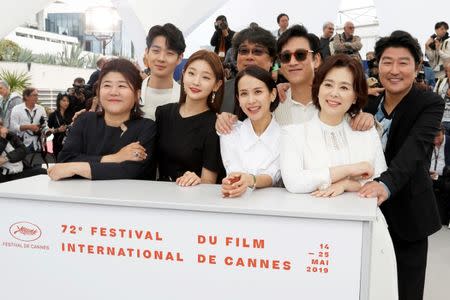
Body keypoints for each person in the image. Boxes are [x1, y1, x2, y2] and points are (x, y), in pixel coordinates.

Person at [281, 54, 397, 300]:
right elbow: (294, 181)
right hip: (312, 241)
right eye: (328, 84)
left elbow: (377, 184)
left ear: (356, 95)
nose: (334, 93)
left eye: (344, 87)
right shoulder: (294, 134)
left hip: (368, 236)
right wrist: (348, 171)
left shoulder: (366, 133)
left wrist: (346, 185)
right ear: (318, 87)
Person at [360, 31, 444, 300]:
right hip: (365, 215)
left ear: (418, 66)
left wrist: (384, 184)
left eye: (403, 62)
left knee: (405, 290)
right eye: (387, 62)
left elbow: (415, 149)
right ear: (377, 65)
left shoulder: (429, 103)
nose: (394, 70)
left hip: (409, 216)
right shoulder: (367, 102)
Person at [47, 58, 156, 181]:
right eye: (107, 85)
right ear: (98, 92)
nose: (114, 92)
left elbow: (130, 170)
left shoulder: (146, 127)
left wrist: (75, 167)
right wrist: (115, 158)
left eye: (122, 85)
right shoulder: (84, 120)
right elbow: (65, 159)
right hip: (83, 197)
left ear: (137, 94)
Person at [155, 50, 224, 186]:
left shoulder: (215, 125)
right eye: (191, 73)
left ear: (217, 85)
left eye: (205, 77)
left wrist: (197, 180)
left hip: (192, 198)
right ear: (183, 74)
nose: (196, 82)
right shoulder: (163, 113)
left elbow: (209, 182)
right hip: (159, 194)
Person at [220, 66, 280, 198]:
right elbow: (234, 174)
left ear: (273, 94)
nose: (251, 100)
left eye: (258, 92)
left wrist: (251, 180)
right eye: (244, 93)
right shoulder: (229, 132)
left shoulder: (286, 136)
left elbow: (273, 175)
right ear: (238, 99)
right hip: (235, 204)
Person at [141, 23, 186, 120]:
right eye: (156, 51)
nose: (161, 58)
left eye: (169, 53)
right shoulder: (132, 91)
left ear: (180, 58)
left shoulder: (185, 98)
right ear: (147, 52)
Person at [9, 87, 51, 154]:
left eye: (37, 95)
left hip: (37, 144)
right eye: (34, 95)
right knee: (24, 164)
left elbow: (45, 124)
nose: (37, 97)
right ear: (26, 96)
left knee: (37, 163)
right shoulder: (16, 109)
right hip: (22, 144)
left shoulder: (41, 109)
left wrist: (46, 130)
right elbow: (13, 127)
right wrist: (28, 127)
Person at [47, 93, 71, 159]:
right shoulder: (53, 115)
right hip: (57, 144)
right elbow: (47, 131)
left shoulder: (71, 114)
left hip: (69, 143)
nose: (66, 103)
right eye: (64, 100)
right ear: (58, 101)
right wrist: (58, 130)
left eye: (68, 101)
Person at [434, 60, 450, 134]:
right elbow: (434, 99)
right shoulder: (440, 82)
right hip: (441, 119)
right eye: (449, 71)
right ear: (446, 72)